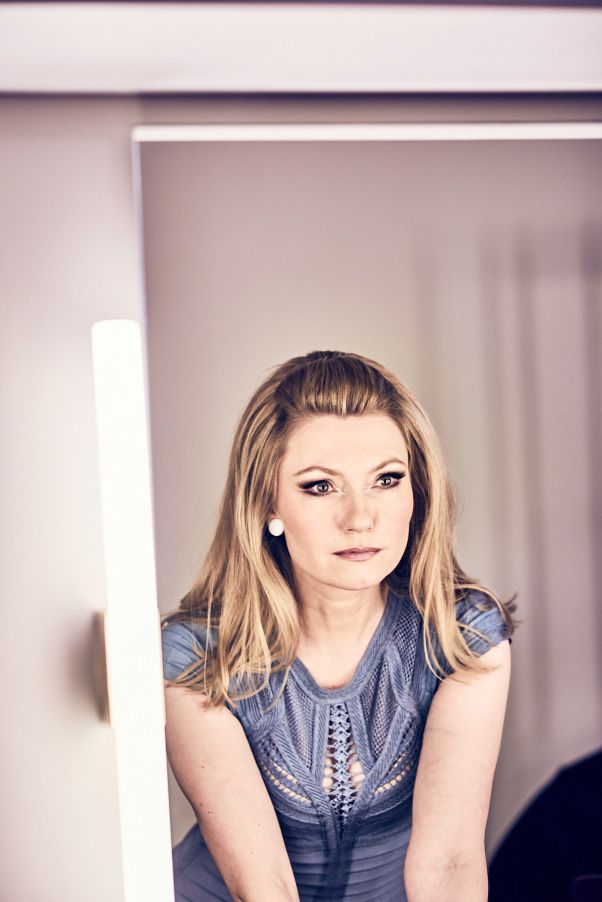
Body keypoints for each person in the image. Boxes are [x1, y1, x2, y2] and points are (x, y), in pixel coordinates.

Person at [161, 349, 515, 902]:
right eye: (320, 486)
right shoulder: (198, 656)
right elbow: (263, 886)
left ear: (417, 494)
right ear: (266, 504)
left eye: (387, 479)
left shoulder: (463, 636)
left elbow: (447, 864)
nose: (360, 518)